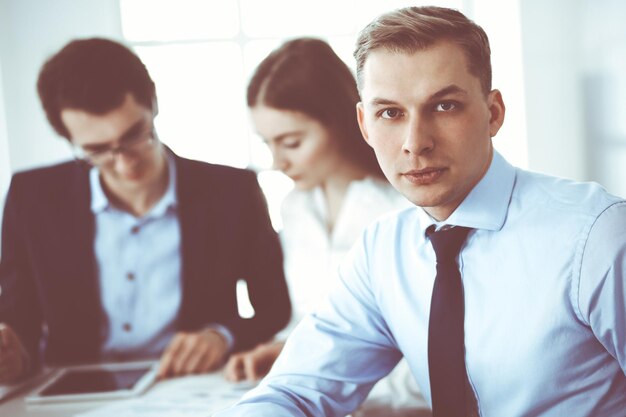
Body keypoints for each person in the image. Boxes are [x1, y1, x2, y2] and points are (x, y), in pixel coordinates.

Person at [216, 6, 626, 417]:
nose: (415, 142)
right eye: (390, 113)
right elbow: (297, 391)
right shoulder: (382, 250)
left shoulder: (597, 237)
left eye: (444, 106)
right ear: (364, 124)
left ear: (493, 113)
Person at [0, 38, 291, 384]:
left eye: (135, 135)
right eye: (97, 150)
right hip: (71, 392)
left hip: (191, 386)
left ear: (152, 102)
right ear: (67, 136)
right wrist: (14, 351)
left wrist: (222, 334)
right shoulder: (31, 197)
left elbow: (275, 308)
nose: (124, 165)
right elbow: (19, 314)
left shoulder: (233, 191)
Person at [222, 38, 427, 415]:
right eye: (268, 143)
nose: (277, 162)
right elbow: (314, 320)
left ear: (341, 122)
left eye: (292, 142)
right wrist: (284, 352)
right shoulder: (296, 207)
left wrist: (321, 378)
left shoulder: (407, 209)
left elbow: (428, 349)